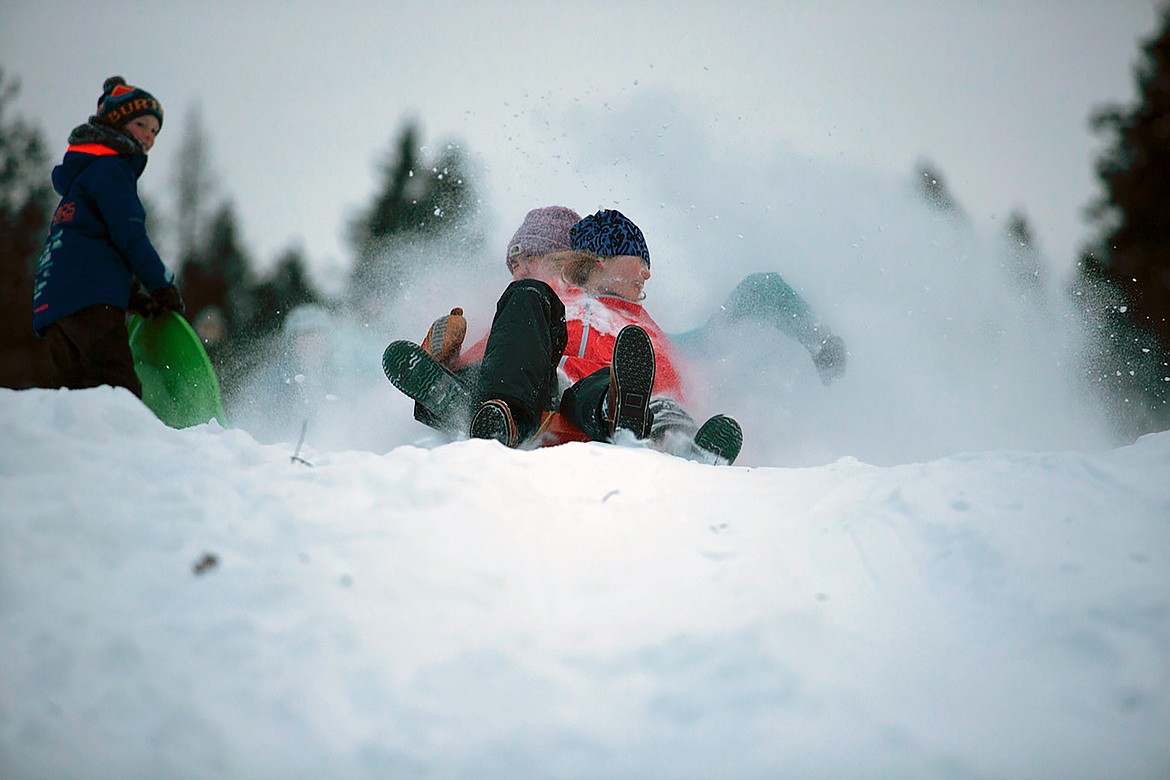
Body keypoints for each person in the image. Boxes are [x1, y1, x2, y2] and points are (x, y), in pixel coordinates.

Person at [32, 76, 184, 398]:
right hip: (89, 301)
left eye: (155, 131)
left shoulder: (83, 177)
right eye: (141, 124)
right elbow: (129, 235)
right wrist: (161, 285)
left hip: (52, 302)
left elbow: (89, 244)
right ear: (116, 122)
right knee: (119, 393)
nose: (149, 136)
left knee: (78, 397)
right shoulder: (112, 169)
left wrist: (131, 295)